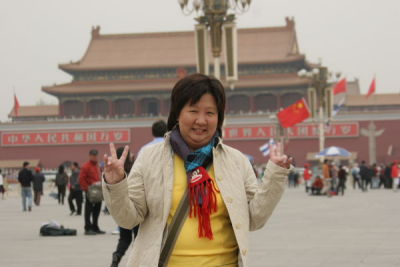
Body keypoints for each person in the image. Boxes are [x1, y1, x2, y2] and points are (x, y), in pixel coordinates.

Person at [102, 73, 292, 266]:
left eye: (210, 113)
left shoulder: (236, 161)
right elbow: (128, 219)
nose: (201, 121)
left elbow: (255, 219)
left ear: (219, 118)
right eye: (193, 111)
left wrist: (275, 176)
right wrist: (115, 183)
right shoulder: (150, 158)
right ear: (177, 113)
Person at [110, 147, 138, 267]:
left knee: (124, 238)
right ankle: (136, 261)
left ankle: (117, 256)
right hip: (136, 208)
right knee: (138, 238)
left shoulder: (114, 171)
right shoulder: (135, 168)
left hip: (123, 209)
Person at [80, 149, 105, 235]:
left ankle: (95, 227)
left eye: (95, 155)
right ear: (90, 156)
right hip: (90, 191)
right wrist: (87, 189)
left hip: (98, 191)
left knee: (97, 210)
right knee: (88, 210)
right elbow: (81, 179)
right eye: (93, 155)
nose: (94, 157)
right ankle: (87, 228)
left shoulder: (97, 166)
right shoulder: (86, 166)